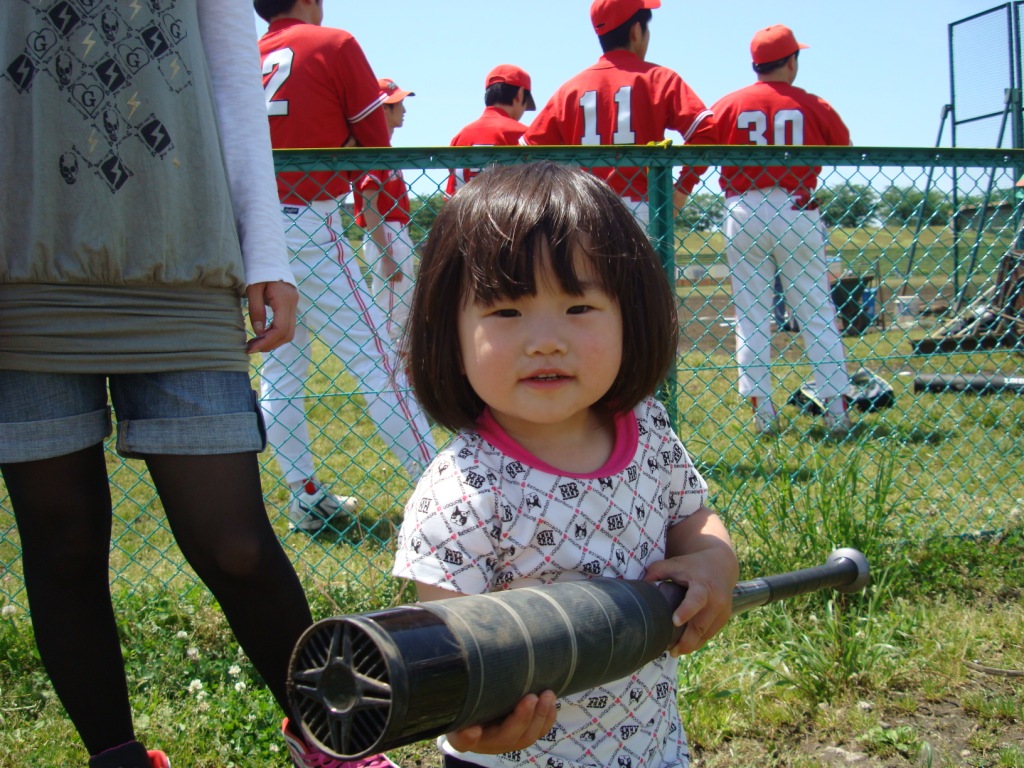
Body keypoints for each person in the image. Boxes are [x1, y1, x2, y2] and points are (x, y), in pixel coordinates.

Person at [0, 3, 343, 767]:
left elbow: (231, 79)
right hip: (20, 259)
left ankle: (332, 739)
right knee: (63, 544)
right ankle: (117, 758)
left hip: (182, 251)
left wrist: (267, 252)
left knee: (237, 544)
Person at [393, 162, 739, 768]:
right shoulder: (465, 488)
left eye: (579, 307)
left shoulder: (646, 428)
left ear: (632, 315)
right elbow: (447, 651)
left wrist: (715, 561)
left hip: (651, 747)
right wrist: (478, 722)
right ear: (449, 332)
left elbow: (694, 517)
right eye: (505, 312)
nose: (545, 340)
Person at [256, 0, 436, 533]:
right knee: (375, 360)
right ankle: (445, 492)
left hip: (251, 225)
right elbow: (377, 144)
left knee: (282, 368)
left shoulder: (247, 52)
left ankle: (305, 496)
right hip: (310, 218)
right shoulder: (332, 42)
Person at [708, 24, 852, 435]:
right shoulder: (812, 103)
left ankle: (763, 414)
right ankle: (836, 412)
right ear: (791, 61)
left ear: (755, 63)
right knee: (816, 312)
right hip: (796, 205)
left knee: (752, 315)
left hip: (743, 209)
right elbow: (843, 144)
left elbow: (697, 139)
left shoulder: (729, 103)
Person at [520, 0, 714, 225]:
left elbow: (527, 154)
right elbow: (707, 132)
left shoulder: (570, 89)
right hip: (642, 209)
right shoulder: (660, 79)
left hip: (584, 211)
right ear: (635, 31)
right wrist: (682, 189)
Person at [353, 78, 416, 342]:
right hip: (386, 234)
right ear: (382, 110)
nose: (403, 109)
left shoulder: (384, 148)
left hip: (395, 232)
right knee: (393, 317)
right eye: (397, 104)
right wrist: (387, 255)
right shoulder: (373, 149)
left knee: (402, 312)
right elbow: (370, 205)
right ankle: (390, 380)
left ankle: (398, 378)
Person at [446, 64, 537, 196]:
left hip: (462, 213)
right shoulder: (523, 134)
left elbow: (451, 194)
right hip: (506, 214)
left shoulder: (460, 136)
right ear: (520, 94)